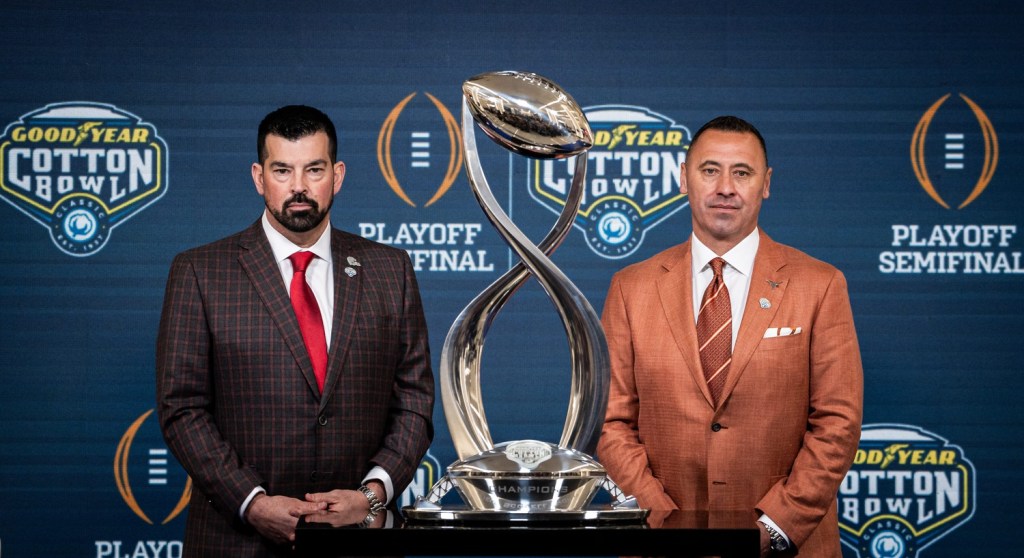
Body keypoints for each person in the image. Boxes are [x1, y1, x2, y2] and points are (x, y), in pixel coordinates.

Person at [156, 105, 434, 556]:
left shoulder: (390, 269)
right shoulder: (200, 272)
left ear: (337, 175)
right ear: (258, 176)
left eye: (314, 169)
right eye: (282, 170)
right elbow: (181, 409)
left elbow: (415, 401)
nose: (299, 187)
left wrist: (371, 496)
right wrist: (252, 502)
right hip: (235, 541)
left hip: (357, 536)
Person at [597, 116, 862, 557]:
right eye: (709, 170)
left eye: (742, 172)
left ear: (766, 183)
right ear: (684, 178)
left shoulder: (820, 284)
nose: (725, 187)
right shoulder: (630, 287)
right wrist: (663, 522)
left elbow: (837, 421)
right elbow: (609, 422)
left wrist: (776, 527)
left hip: (787, 547)